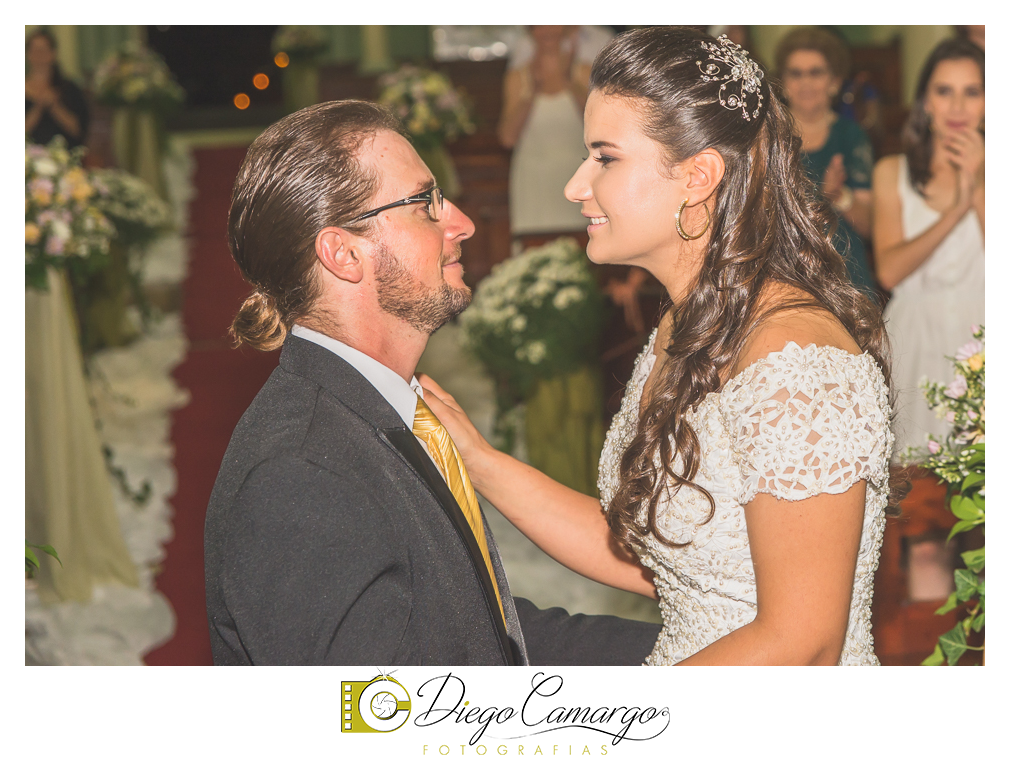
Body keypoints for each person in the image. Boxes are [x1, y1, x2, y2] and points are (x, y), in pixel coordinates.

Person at [421, 27, 896, 665]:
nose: (575, 186)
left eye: (605, 158)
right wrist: (477, 460)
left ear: (697, 176)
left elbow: (802, 641)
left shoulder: (794, 364)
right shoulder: (688, 322)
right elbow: (660, 559)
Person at [203, 100, 660, 665]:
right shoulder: (300, 476)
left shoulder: (381, 410)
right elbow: (378, 711)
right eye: (426, 204)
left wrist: (682, 662)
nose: (463, 222)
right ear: (343, 254)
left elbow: (477, 634)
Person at [872, 38, 984, 460]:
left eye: (971, 92)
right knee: (915, 477)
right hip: (915, 338)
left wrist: (980, 182)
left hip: (985, 331)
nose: (957, 107)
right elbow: (889, 271)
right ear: (925, 101)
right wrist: (955, 212)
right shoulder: (892, 171)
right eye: (944, 91)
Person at [776, 27, 876, 298]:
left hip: (844, 274)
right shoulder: (768, 136)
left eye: (816, 73)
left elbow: (869, 225)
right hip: (784, 274)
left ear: (835, 81)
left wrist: (839, 196)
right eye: (796, 73)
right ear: (783, 81)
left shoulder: (851, 136)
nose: (805, 83)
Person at [25, 30, 90, 149]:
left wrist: (54, 106)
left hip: (64, 155)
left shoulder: (69, 88)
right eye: (34, 50)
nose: (39, 55)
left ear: (53, 53)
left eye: (43, 50)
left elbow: (78, 130)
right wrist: (38, 107)